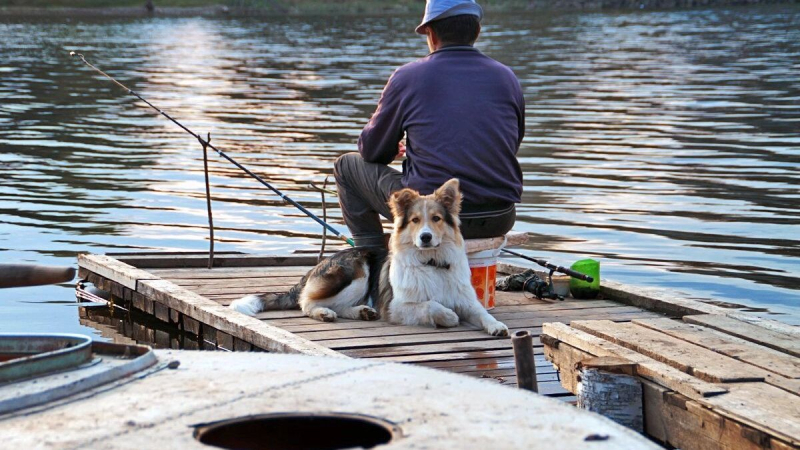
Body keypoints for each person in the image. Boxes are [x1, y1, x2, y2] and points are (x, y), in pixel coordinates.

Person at [334, 0, 524, 248]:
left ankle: (372, 260)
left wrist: (391, 150)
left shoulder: (407, 77)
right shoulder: (507, 77)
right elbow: (511, 142)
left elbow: (371, 151)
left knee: (346, 167)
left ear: (431, 33)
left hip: (436, 216)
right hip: (499, 216)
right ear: (477, 32)